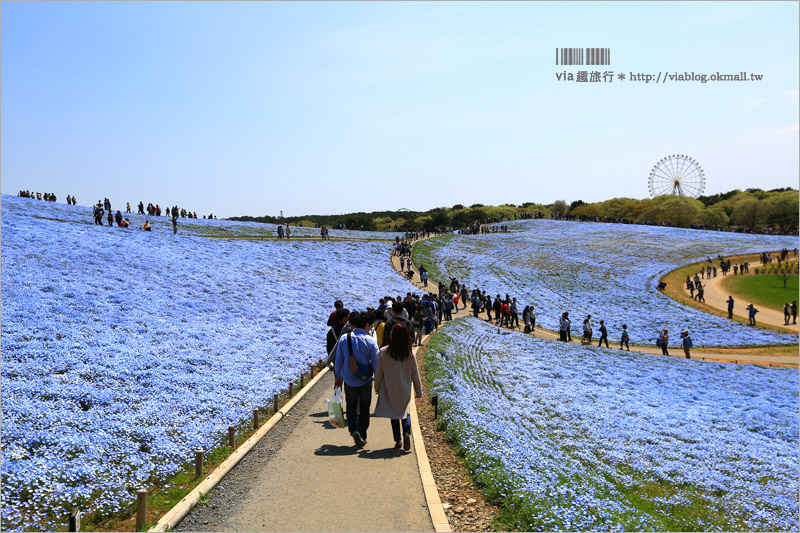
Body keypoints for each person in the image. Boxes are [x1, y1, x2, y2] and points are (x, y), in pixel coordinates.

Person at [334, 311, 380, 448]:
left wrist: (338, 378)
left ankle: (354, 430)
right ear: (365, 325)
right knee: (365, 408)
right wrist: (378, 382)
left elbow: (339, 361)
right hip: (365, 381)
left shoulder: (344, 339)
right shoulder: (371, 341)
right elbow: (376, 363)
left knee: (351, 406)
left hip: (349, 380)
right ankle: (363, 434)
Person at [373, 323, 423, 451]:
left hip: (389, 388)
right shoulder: (409, 353)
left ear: (393, 336)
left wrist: (376, 386)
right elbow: (415, 374)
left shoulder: (384, 351)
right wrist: (419, 390)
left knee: (393, 414)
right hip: (405, 388)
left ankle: (398, 440)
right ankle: (406, 432)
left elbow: (379, 372)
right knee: (405, 412)